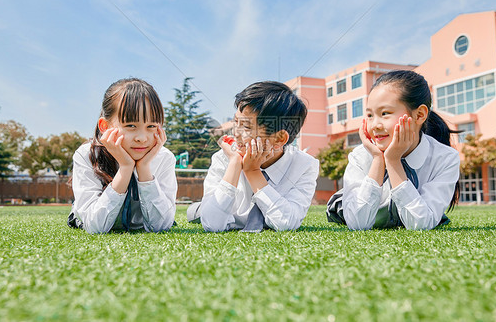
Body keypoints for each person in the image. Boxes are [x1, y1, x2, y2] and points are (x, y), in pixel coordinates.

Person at [334, 70, 460, 230]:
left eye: (385, 113)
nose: (375, 125)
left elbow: (420, 225)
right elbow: (357, 224)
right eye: (370, 115)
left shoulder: (445, 158)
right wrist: (378, 160)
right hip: (352, 204)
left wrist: (393, 162)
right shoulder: (360, 156)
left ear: (420, 115)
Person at [188, 81, 319, 232]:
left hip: (254, 209)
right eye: (236, 122)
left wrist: (253, 172)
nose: (235, 133)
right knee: (195, 213)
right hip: (215, 210)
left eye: (246, 127)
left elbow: (286, 223)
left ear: (279, 139)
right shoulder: (224, 157)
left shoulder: (304, 166)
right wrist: (235, 163)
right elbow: (212, 224)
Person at [68, 78, 177, 234]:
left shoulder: (164, 158)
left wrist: (144, 168)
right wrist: (126, 168)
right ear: (105, 126)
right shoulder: (87, 155)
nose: (142, 138)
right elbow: (95, 227)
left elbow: (161, 226)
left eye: (151, 126)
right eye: (131, 126)